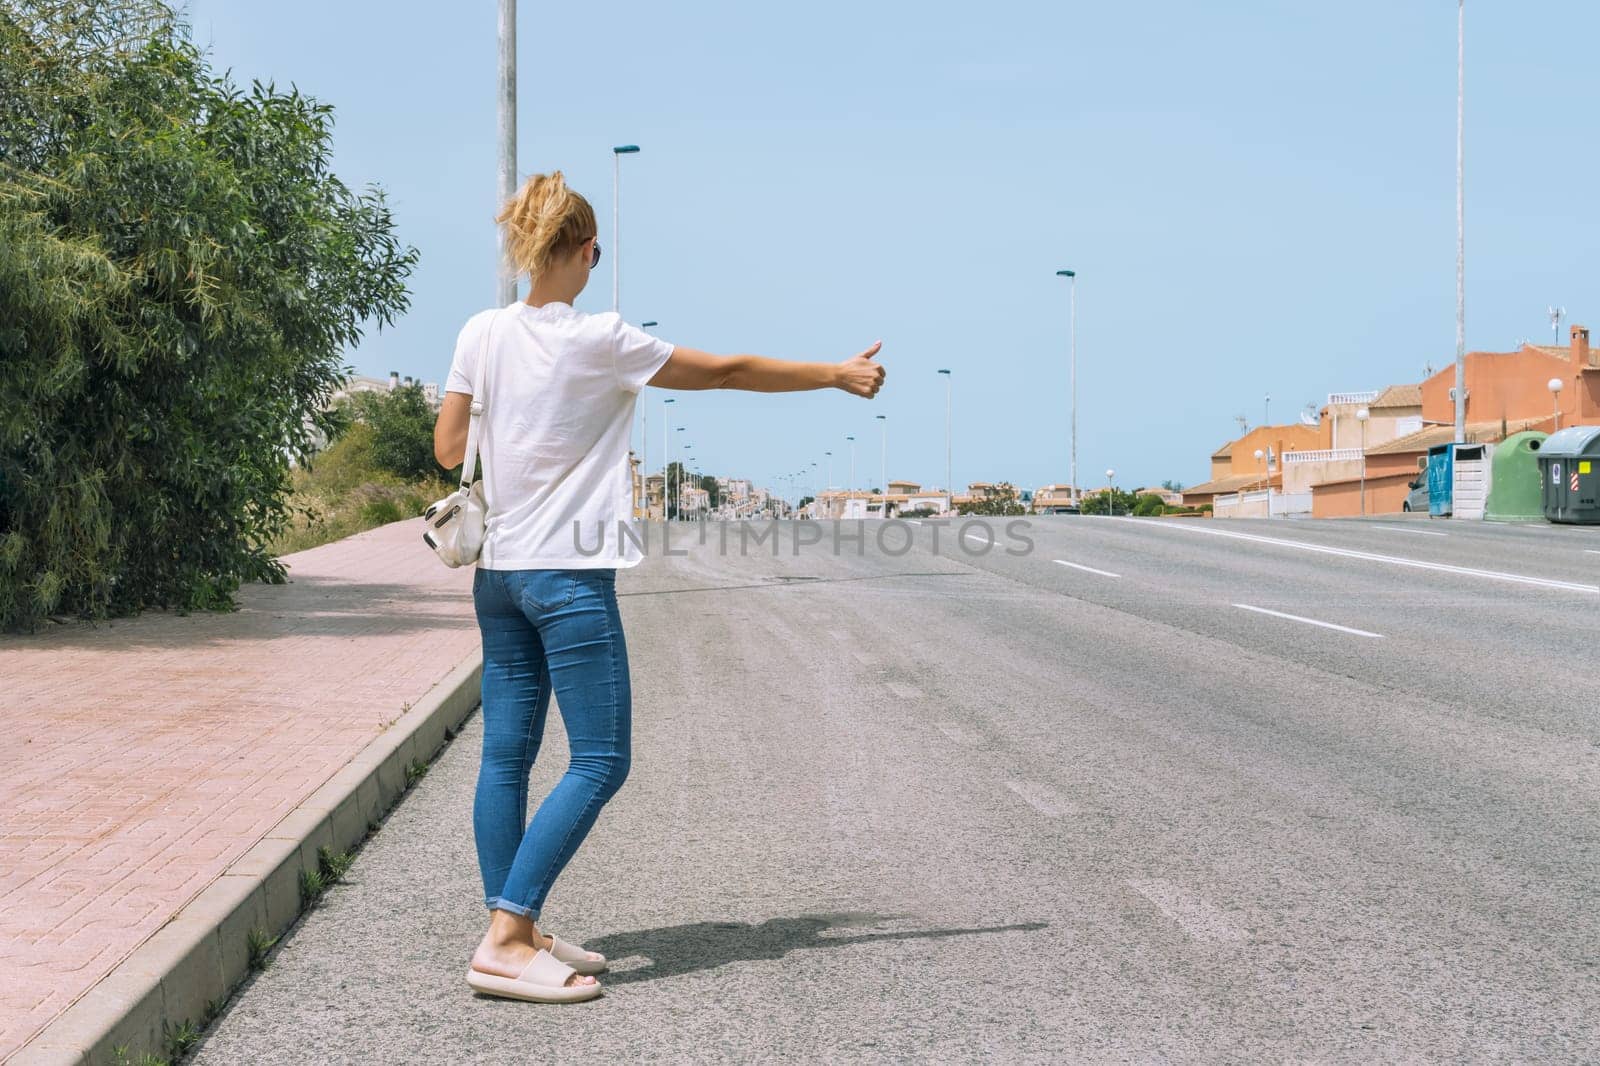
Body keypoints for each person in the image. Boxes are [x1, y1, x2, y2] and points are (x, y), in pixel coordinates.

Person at [432, 171, 885, 1004]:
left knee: (507, 757)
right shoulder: (602, 339)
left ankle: (517, 926)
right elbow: (727, 370)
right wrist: (831, 374)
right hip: (566, 574)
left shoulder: (482, 331)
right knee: (601, 758)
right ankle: (504, 939)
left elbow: (446, 444)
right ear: (584, 251)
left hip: (498, 574)